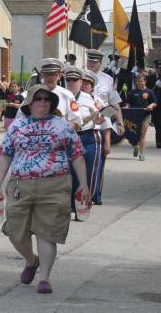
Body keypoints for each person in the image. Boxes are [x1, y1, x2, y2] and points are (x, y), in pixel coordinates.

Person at [0, 84, 88, 294]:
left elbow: (77, 156)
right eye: (38, 98)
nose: (43, 102)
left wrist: (84, 184)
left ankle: (45, 278)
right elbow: (5, 155)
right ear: (29, 103)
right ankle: (30, 260)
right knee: (16, 232)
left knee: (47, 233)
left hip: (55, 184)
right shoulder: (17, 126)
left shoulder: (63, 126)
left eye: (46, 99)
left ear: (51, 103)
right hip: (20, 185)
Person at [64, 67, 108, 220]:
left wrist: (98, 120)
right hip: (68, 139)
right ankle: (69, 207)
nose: (71, 83)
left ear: (80, 82)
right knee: (68, 174)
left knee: (88, 173)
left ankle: (82, 206)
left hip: (88, 137)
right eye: (68, 80)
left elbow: (100, 115)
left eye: (74, 80)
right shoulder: (60, 96)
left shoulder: (89, 99)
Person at [85, 49, 124, 205]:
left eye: (95, 62)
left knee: (99, 162)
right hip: (84, 125)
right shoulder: (80, 76)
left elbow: (115, 103)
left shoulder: (107, 79)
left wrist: (120, 122)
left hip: (103, 125)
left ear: (100, 63)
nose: (91, 64)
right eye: (90, 61)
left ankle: (96, 194)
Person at [126, 73, 157, 161]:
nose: (140, 83)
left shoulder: (149, 91)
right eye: (138, 81)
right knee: (131, 135)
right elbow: (128, 103)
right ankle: (135, 146)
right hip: (134, 116)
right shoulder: (132, 92)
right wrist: (127, 107)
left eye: (142, 81)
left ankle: (142, 153)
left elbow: (154, 102)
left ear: (145, 82)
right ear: (136, 82)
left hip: (145, 116)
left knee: (142, 135)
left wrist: (151, 106)